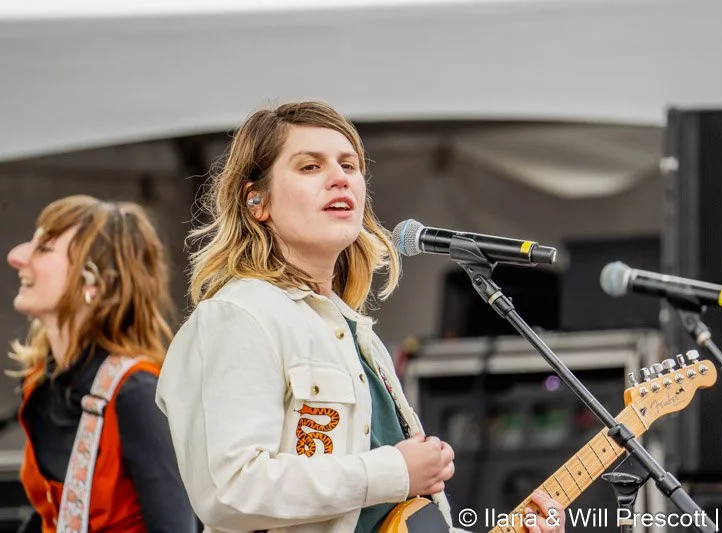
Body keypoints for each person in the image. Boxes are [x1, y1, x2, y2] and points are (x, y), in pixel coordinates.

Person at [155, 101, 567, 533]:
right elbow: (230, 490)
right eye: (310, 167)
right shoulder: (237, 316)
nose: (340, 178)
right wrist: (394, 471)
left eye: (349, 165)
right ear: (257, 200)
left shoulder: (358, 337)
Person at [7, 195, 198, 532]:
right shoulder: (41, 380)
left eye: (45, 248)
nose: (17, 257)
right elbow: (57, 512)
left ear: (94, 280)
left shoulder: (136, 392)